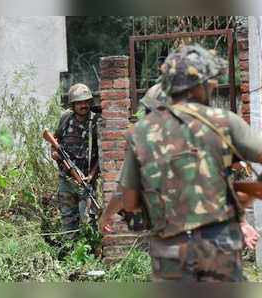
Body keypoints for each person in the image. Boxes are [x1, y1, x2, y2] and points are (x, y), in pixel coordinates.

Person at [100, 44, 260, 282]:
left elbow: (129, 200)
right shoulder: (223, 121)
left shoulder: (141, 132)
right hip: (217, 245)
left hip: (169, 251)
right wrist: (247, 195)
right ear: (201, 86)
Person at [51, 83, 100, 238]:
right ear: (73, 105)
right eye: (79, 102)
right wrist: (54, 154)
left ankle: (91, 253)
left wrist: (92, 175)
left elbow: (101, 155)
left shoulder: (95, 122)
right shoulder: (65, 118)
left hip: (86, 179)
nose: (83, 105)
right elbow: (54, 141)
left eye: (86, 102)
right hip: (66, 179)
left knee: (90, 219)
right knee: (68, 219)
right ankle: (69, 253)